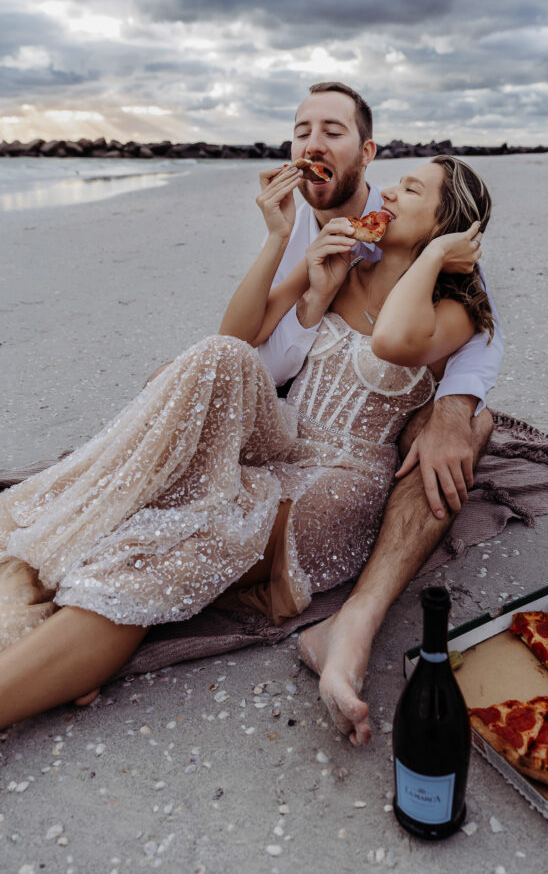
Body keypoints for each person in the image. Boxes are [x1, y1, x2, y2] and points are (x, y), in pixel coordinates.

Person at [0, 153, 492, 739]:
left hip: (339, 479)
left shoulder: (454, 312)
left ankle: (72, 642)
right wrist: (305, 272)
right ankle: (81, 507)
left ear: (447, 225)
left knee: (154, 551)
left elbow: (391, 340)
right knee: (222, 356)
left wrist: (433, 255)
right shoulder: (348, 271)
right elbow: (237, 335)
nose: (387, 192)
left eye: (411, 190)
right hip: (283, 438)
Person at [247, 83, 502, 743]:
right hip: (289, 413)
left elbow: (476, 332)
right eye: (300, 129)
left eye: (330, 130)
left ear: (365, 152)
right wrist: (293, 266)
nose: (310, 145)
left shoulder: (413, 242)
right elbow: (252, 346)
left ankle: (352, 630)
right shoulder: (319, 228)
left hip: (353, 459)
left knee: (470, 425)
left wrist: (454, 408)